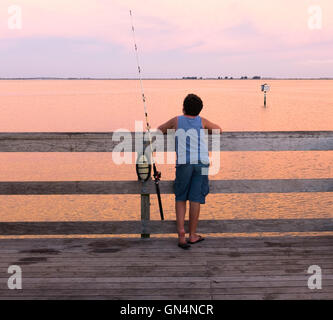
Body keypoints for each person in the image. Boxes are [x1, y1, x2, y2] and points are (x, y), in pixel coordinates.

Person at [158, 94, 222, 249]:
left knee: (180, 197)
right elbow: (219, 130)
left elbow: (159, 130)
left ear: (183, 108)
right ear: (199, 110)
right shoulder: (202, 121)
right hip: (201, 162)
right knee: (195, 198)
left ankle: (181, 233)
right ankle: (192, 235)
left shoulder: (177, 120)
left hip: (184, 163)